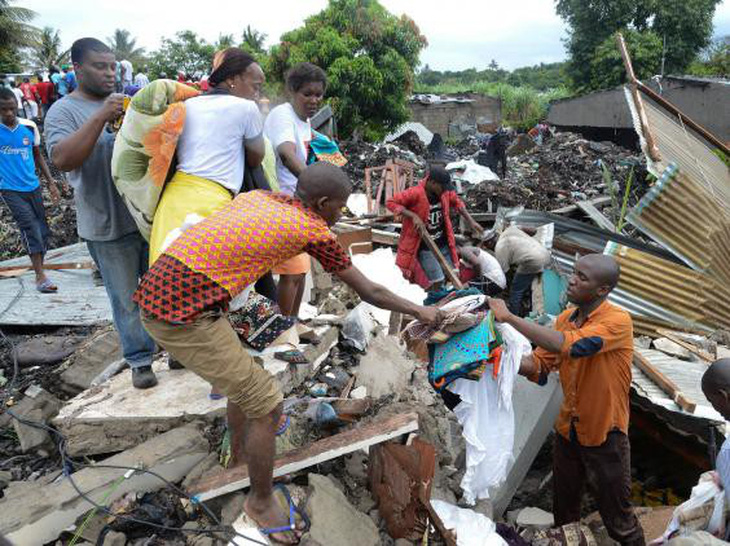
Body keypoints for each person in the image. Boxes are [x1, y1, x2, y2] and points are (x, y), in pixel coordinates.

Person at [135, 162, 439, 544]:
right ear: (323, 203)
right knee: (265, 403)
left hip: (176, 292)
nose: (341, 215)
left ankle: (242, 459)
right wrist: (420, 311)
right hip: (181, 312)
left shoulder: (261, 197)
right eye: (340, 208)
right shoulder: (311, 228)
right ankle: (260, 502)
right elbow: (370, 292)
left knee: (244, 381)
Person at [489, 254, 645, 546]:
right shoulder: (564, 319)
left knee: (618, 519)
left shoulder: (618, 321)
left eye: (582, 277)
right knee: (564, 512)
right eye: (574, 273)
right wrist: (495, 357)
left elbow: (572, 347)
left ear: (602, 290)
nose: (572, 280)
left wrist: (510, 317)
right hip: (568, 432)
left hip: (604, 435)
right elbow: (539, 364)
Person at [44, 38, 158, 389]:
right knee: (125, 299)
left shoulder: (129, 104)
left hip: (146, 217)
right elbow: (62, 159)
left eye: (112, 66)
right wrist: (100, 117)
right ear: (77, 69)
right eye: (99, 66)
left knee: (161, 289)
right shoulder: (63, 111)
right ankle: (140, 360)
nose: (110, 73)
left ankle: (178, 349)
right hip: (106, 224)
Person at [148, 47, 265, 265]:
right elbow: (256, 158)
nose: (257, 94)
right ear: (232, 79)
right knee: (207, 288)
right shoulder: (248, 108)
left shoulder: (189, 104)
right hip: (210, 203)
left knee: (166, 284)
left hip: (172, 202)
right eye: (255, 87)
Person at [264, 62, 325, 317]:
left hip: (296, 204)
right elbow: (287, 155)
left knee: (300, 270)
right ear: (292, 91)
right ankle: (284, 332)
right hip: (280, 202)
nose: (314, 100)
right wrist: (314, 184)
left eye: (318, 94)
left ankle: (293, 322)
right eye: (307, 94)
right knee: (292, 271)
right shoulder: (283, 115)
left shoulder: (304, 122)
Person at [0, 88, 61, 292]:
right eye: (3, 110)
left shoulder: (29, 126)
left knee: (43, 231)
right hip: (9, 189)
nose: (8, 113)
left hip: (33, 186)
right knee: (30, 228)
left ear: (17, 106)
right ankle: (40, 276)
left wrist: (51, 182)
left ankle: (39, 267)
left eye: (11, 109)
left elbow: (37, 155)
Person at [386, 165, 484, 291]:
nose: (444, 190)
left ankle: (441, 298)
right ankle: (434, 302)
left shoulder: (444, 193)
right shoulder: (415, 193)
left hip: (443, 243)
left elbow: (457, 202)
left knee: (454, 274)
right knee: (438, 280)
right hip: (426, 247)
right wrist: (413, 215)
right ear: (432, 183)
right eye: (442, 187)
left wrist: (471, 221)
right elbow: (391, 203)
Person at [482, 224, 551, 315]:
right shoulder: (511, 229)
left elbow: (506, 275)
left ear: (489, 243)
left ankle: (513, 316)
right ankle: (527, 301)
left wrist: (505, 291)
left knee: (515, 290)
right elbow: (534, 230)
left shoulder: (500, 249)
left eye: (487, 246)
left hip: (533, 261)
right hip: (545, 254)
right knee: (524, 279)